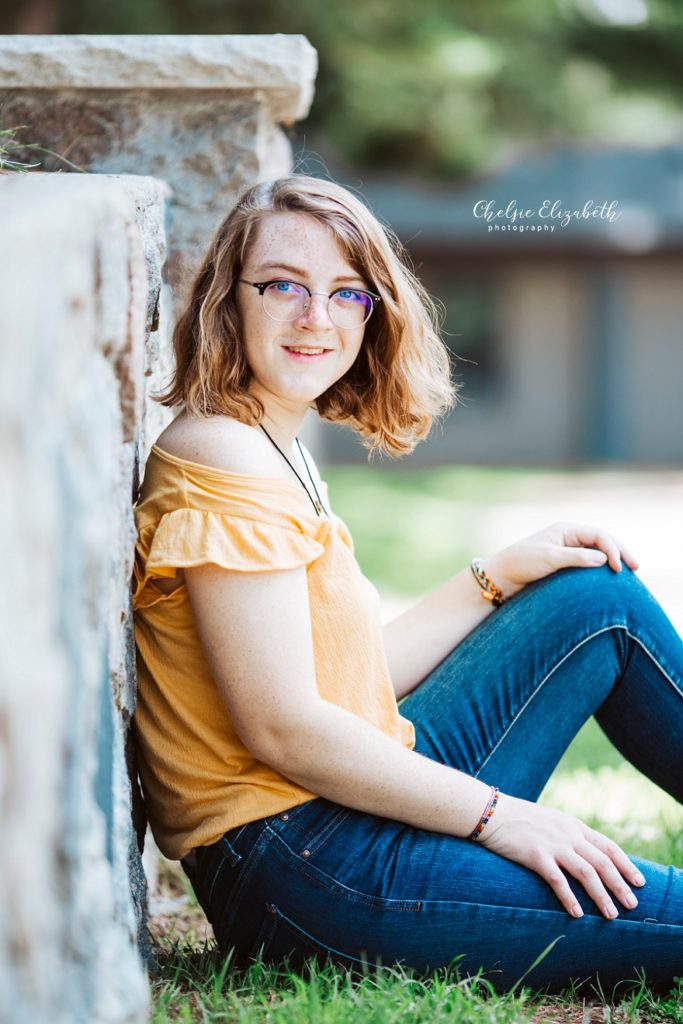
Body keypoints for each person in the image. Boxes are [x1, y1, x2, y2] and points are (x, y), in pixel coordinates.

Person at [132, 174, 683, 995]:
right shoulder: (223, 455)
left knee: (593, 599)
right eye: (283, 285)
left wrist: (496, 575)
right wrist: (504, 820)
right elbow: (284, 728)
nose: (315, 316)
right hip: (302, 869)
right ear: (229, 298)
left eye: (345, 293)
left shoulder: (270, 442)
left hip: (329, 817)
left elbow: (341, 685)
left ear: (373, 312)